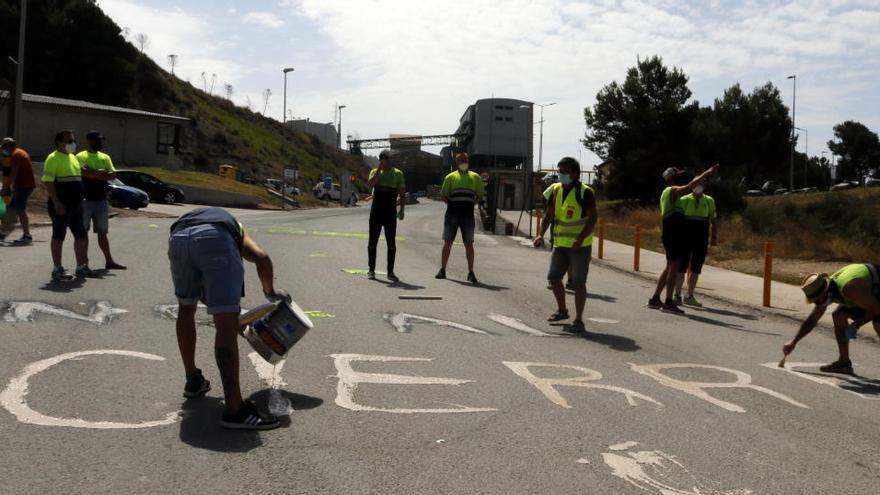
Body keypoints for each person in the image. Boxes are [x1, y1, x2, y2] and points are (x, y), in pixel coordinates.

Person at [169, 207, 291, 430]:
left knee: (186, 309)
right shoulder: (235, 228)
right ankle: (235, 409)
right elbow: (262, 258)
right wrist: (270, 291)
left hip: (177, 238)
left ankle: (193, 379)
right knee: (225, 324)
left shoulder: (200, 218)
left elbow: (204, 288)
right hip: (214, 240)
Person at [534, 157, 598, 333]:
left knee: (578, 283)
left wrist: (580, 239)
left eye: (565, 172)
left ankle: (578, 320)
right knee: (554, 278)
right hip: (560, 244)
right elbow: (549, 215)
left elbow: (593, 218)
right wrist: (540, 234)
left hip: (580, 246)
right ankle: (562, 310)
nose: (561, 175)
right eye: (559, 171)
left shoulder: (585, 192)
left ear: (575, 173)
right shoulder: (555, 190)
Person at [782, 264, 880, 375]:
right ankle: (844, 362)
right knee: (839, 316)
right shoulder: (828, 289)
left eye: (817, 300)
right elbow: (812, 319)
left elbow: (876, 309)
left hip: (872, 292)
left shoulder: (849, 289)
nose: (817, 304)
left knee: (878, 324)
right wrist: (794, 341)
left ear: (824, 292)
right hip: (868, 293)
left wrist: (856, 325)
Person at [648, 164, 719, 314]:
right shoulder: (671, 190)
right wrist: (706, 173)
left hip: (670, 233)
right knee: (674, 268)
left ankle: (655, 298)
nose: (682, 177)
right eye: (679, 175)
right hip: (673, 234)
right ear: (673, 178)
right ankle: (668, 301)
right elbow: (689, 186)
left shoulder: (669, 193)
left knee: (669, 267)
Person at [42, 130, 96, 280]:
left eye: (73, 140)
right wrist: (57, 202)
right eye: (69, 141)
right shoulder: (53, 158)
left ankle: (81, 267)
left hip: (77, 205)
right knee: (59, 236)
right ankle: (57, 269)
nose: (73, 143)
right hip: (61, 205)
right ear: (59, 143)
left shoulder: (73, 158)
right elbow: (48, 182)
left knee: (81, 235)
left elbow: (81, 176)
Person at [77, 131, 126, 270]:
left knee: (103, 233)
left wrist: (93, 173)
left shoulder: (105, 157)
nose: (100, 143)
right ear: (89, 141)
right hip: (85, 200)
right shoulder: (81, 156)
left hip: (101, 200)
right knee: (83, 232)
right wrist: (101, 173)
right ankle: (84, 262)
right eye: (97, 140)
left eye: (101, 140)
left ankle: (109, 261)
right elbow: (82, 172)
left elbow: (112, 175)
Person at [436, 152, 485, 283]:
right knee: (447, 242)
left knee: (469, 244)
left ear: (468, 161)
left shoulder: (476, 177)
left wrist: (470, 203)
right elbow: (444, 195)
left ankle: (471, 272)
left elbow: (480, 195)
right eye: (460, 160)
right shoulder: (450, 177)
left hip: (468, 215)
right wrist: (454, 203)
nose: (462, 162)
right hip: (452, 214)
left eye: (464, 160)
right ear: (456, 163)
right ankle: (442, 270)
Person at [672, 186, 717, 306]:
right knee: (681, 267)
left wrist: (714, 237)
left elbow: (713, 219)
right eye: (696, 183)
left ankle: (689, 295)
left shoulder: (709, 200)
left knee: (696, 267)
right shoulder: (684, 199)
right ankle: (677, 295)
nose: (698, 186)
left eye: (702, 183)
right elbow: (677, 219)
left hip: (701, 237)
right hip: (685, 237)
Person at [366, 149, 405, 281]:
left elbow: (402, 193)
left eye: (385, 159)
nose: (383, 161)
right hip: (376, 211)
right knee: (372, 242)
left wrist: (402, 209)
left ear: (390, 159)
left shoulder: (398, 174)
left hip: (390, 212)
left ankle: (390, 272)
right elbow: (371, 184)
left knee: (391, 243)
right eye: (381, 159)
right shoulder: (374, 172)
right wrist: (378, 170)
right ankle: (371, 270)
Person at [0, 138, 36, 244]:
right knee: (12, 209)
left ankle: (27, 235)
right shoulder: (20, 152)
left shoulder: (16, 155)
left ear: (8, 146)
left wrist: (5, 188)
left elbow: (13, 174)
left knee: (20, 210)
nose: (3, 150)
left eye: (3, 147)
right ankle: (3, 234)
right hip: (23, 185)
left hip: (24, 186)